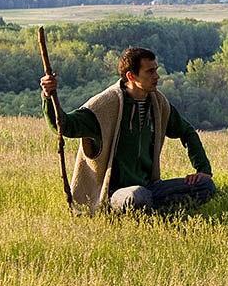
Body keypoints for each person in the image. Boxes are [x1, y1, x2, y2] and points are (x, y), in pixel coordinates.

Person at [41, 46, 216, 214]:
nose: (157, 76)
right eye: (150, 72)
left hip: (150, 187)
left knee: (205, 185)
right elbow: (64, 125)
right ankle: (158, 211)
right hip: (114, 193)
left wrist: (203, 170)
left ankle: (156, 211)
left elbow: (187, 132)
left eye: (156, 70)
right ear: (131, 76)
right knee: (136, 197)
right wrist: (48, 97)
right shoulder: (104, 105)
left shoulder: (158, 103)